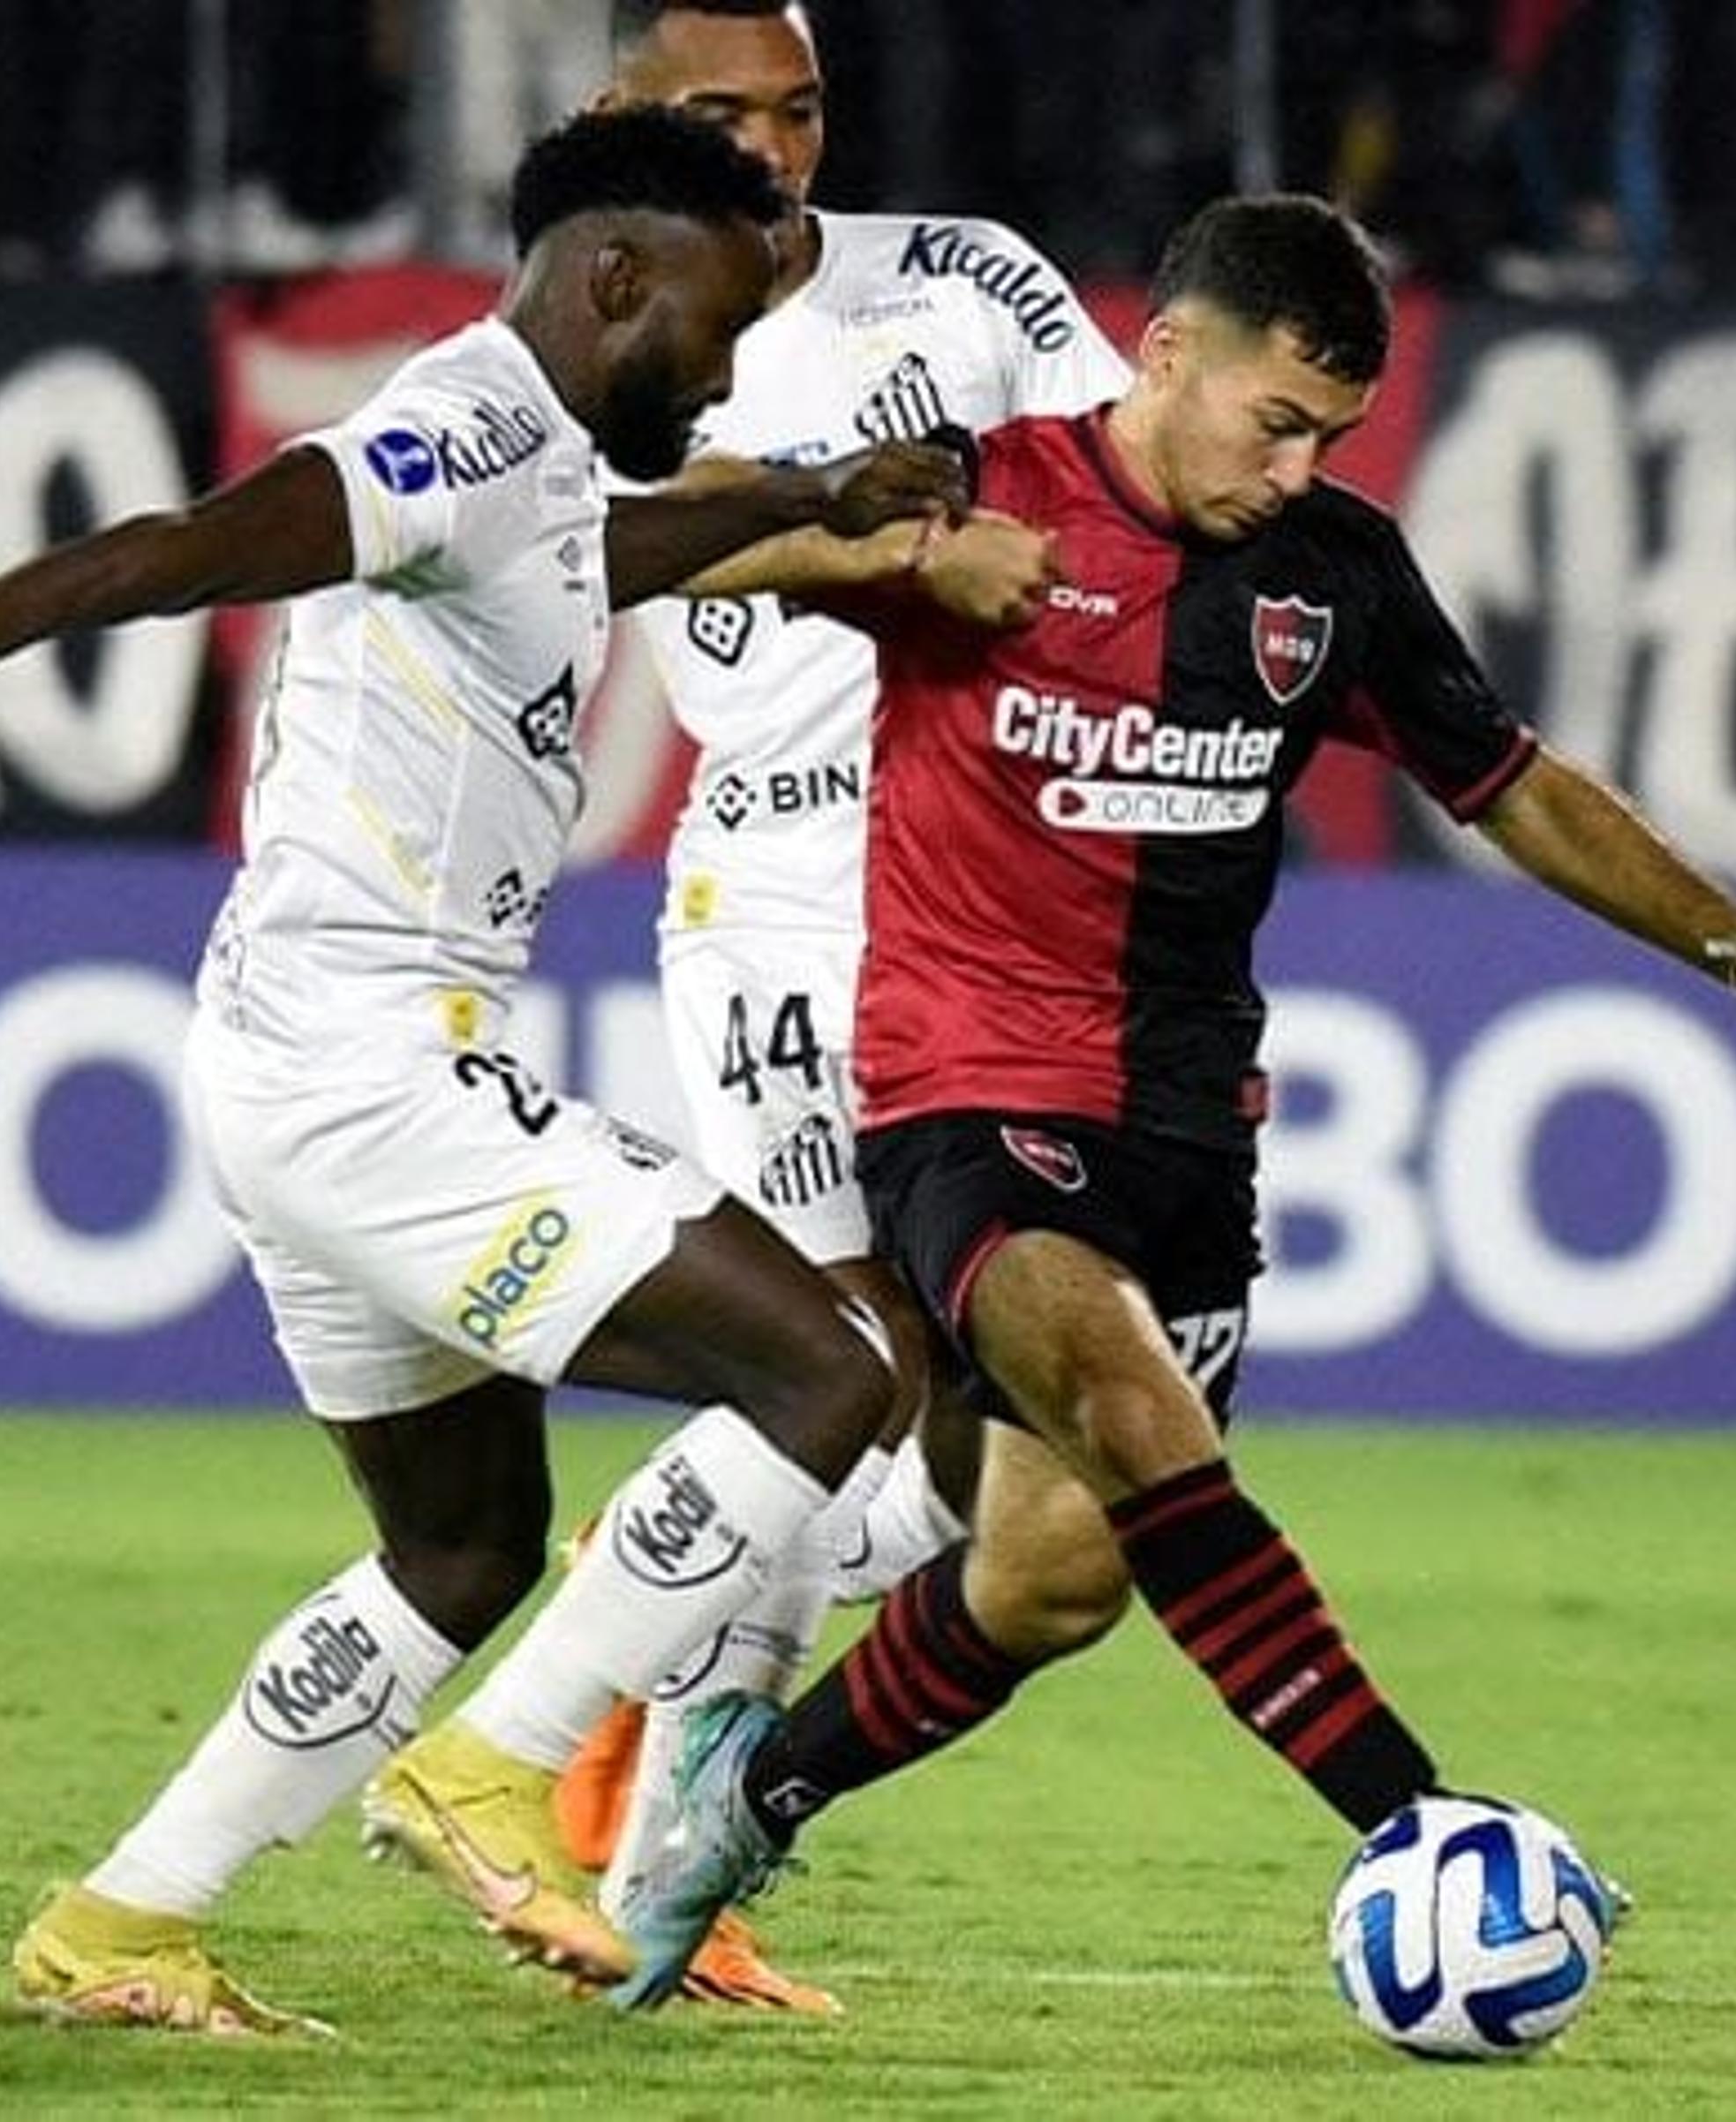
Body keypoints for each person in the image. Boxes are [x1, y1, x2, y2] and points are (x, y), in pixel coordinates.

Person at [0, 104, 1002, 2038]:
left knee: (460, 1540)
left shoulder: (541, 465)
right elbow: (224, 536)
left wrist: (815, 492)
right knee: (838, 1363)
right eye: (717, 321)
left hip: (291, 1058)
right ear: (612, 277)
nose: (729, 369)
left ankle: (124, 1919)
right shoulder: (469, 419)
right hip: (374, 1066)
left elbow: (600, 550)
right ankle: (495, 1769)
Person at [607, 193, 1736, 2007]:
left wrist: (1732, 940)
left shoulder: (1334, 575)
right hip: (962, 1094)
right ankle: (1424, 1823)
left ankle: (746, 1789)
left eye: (1331, 437)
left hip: (1185, 1128)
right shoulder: (979, 489)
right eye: (1274, 421)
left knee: (1055, 1578)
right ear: (1167, 358)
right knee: (1146, 1420)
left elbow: (1510, 781)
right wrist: (876, 545)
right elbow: (662, 551)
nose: (1296, 468)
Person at [540, 0, 1137, 2017]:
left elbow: (1133, 500)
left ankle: (648, 1591)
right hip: (781, 895)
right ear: (624, 115)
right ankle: (662, 1856)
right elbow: (567, 564)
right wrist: (871, 528)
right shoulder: (589, 336)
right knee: (846, 1387)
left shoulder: (964, 278)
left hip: (991, 908)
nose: (773, 146)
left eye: (796, 106)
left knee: (995, 1472)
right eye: (720, 112)